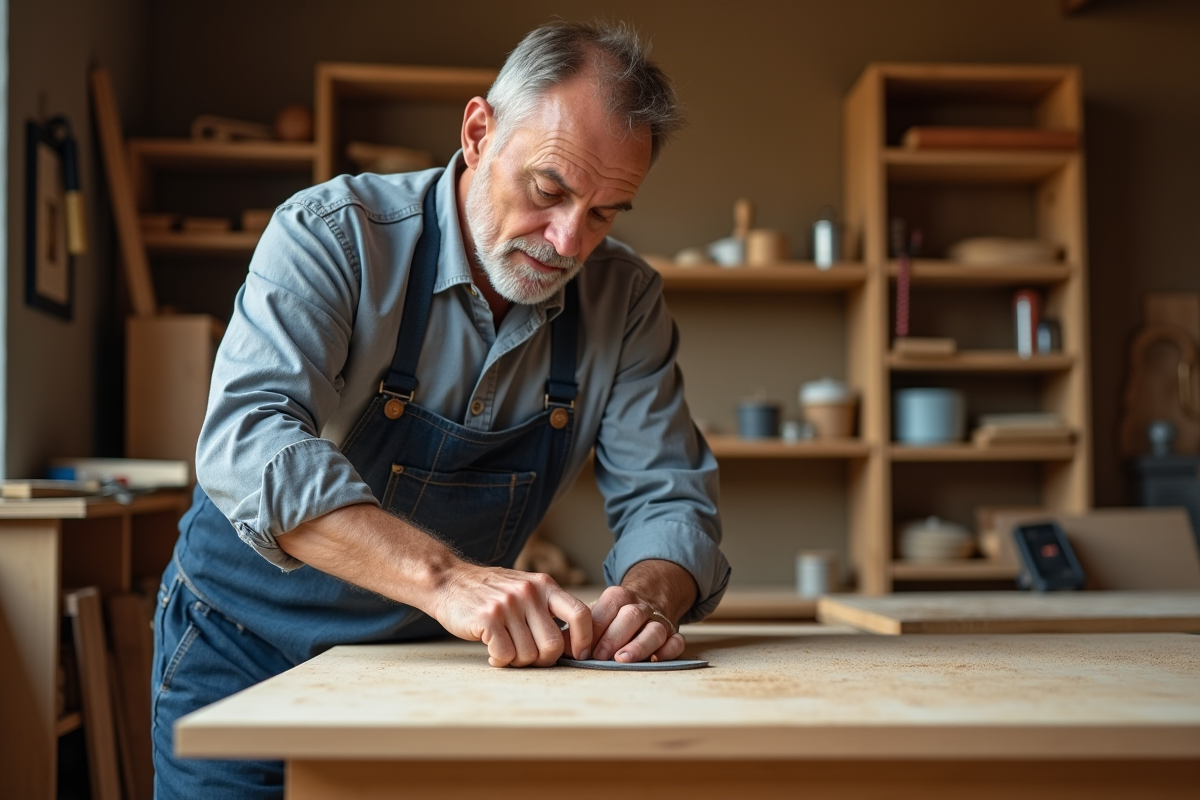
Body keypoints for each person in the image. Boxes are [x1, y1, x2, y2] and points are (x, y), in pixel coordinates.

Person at [151, 19, 730, 798]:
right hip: (243, 649)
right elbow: (249, 439)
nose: (567, 241)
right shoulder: (334, 235)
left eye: (604, 213)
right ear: (479, 131)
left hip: (427, 670)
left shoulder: (623, 301)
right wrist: (444, 579)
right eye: (549, 190)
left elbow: (670, 494)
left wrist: (649, 601)